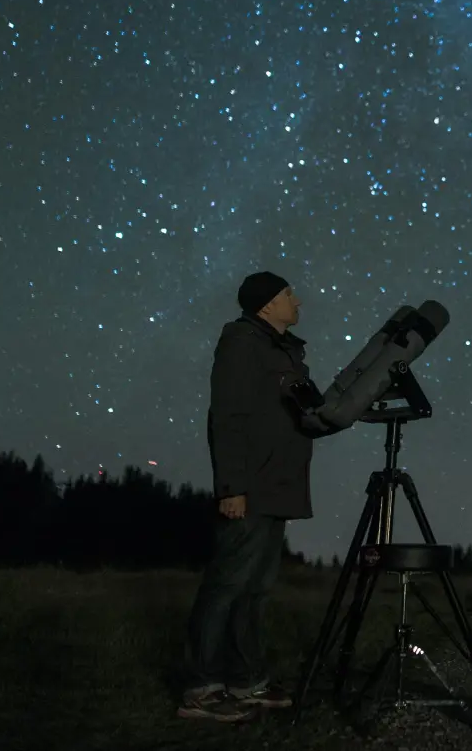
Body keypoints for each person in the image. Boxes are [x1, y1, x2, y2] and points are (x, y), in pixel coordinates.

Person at [178, 271, 329, 722]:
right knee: (226, 587)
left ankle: (247, 682)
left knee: (255, 591)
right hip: (251, 487)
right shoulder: (242, 343)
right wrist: (232, 487)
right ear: (266, 305)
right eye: (288, 295)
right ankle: (201, 689)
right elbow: (227, 416)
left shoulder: (281, 349)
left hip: (276, 486)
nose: (297, 300)